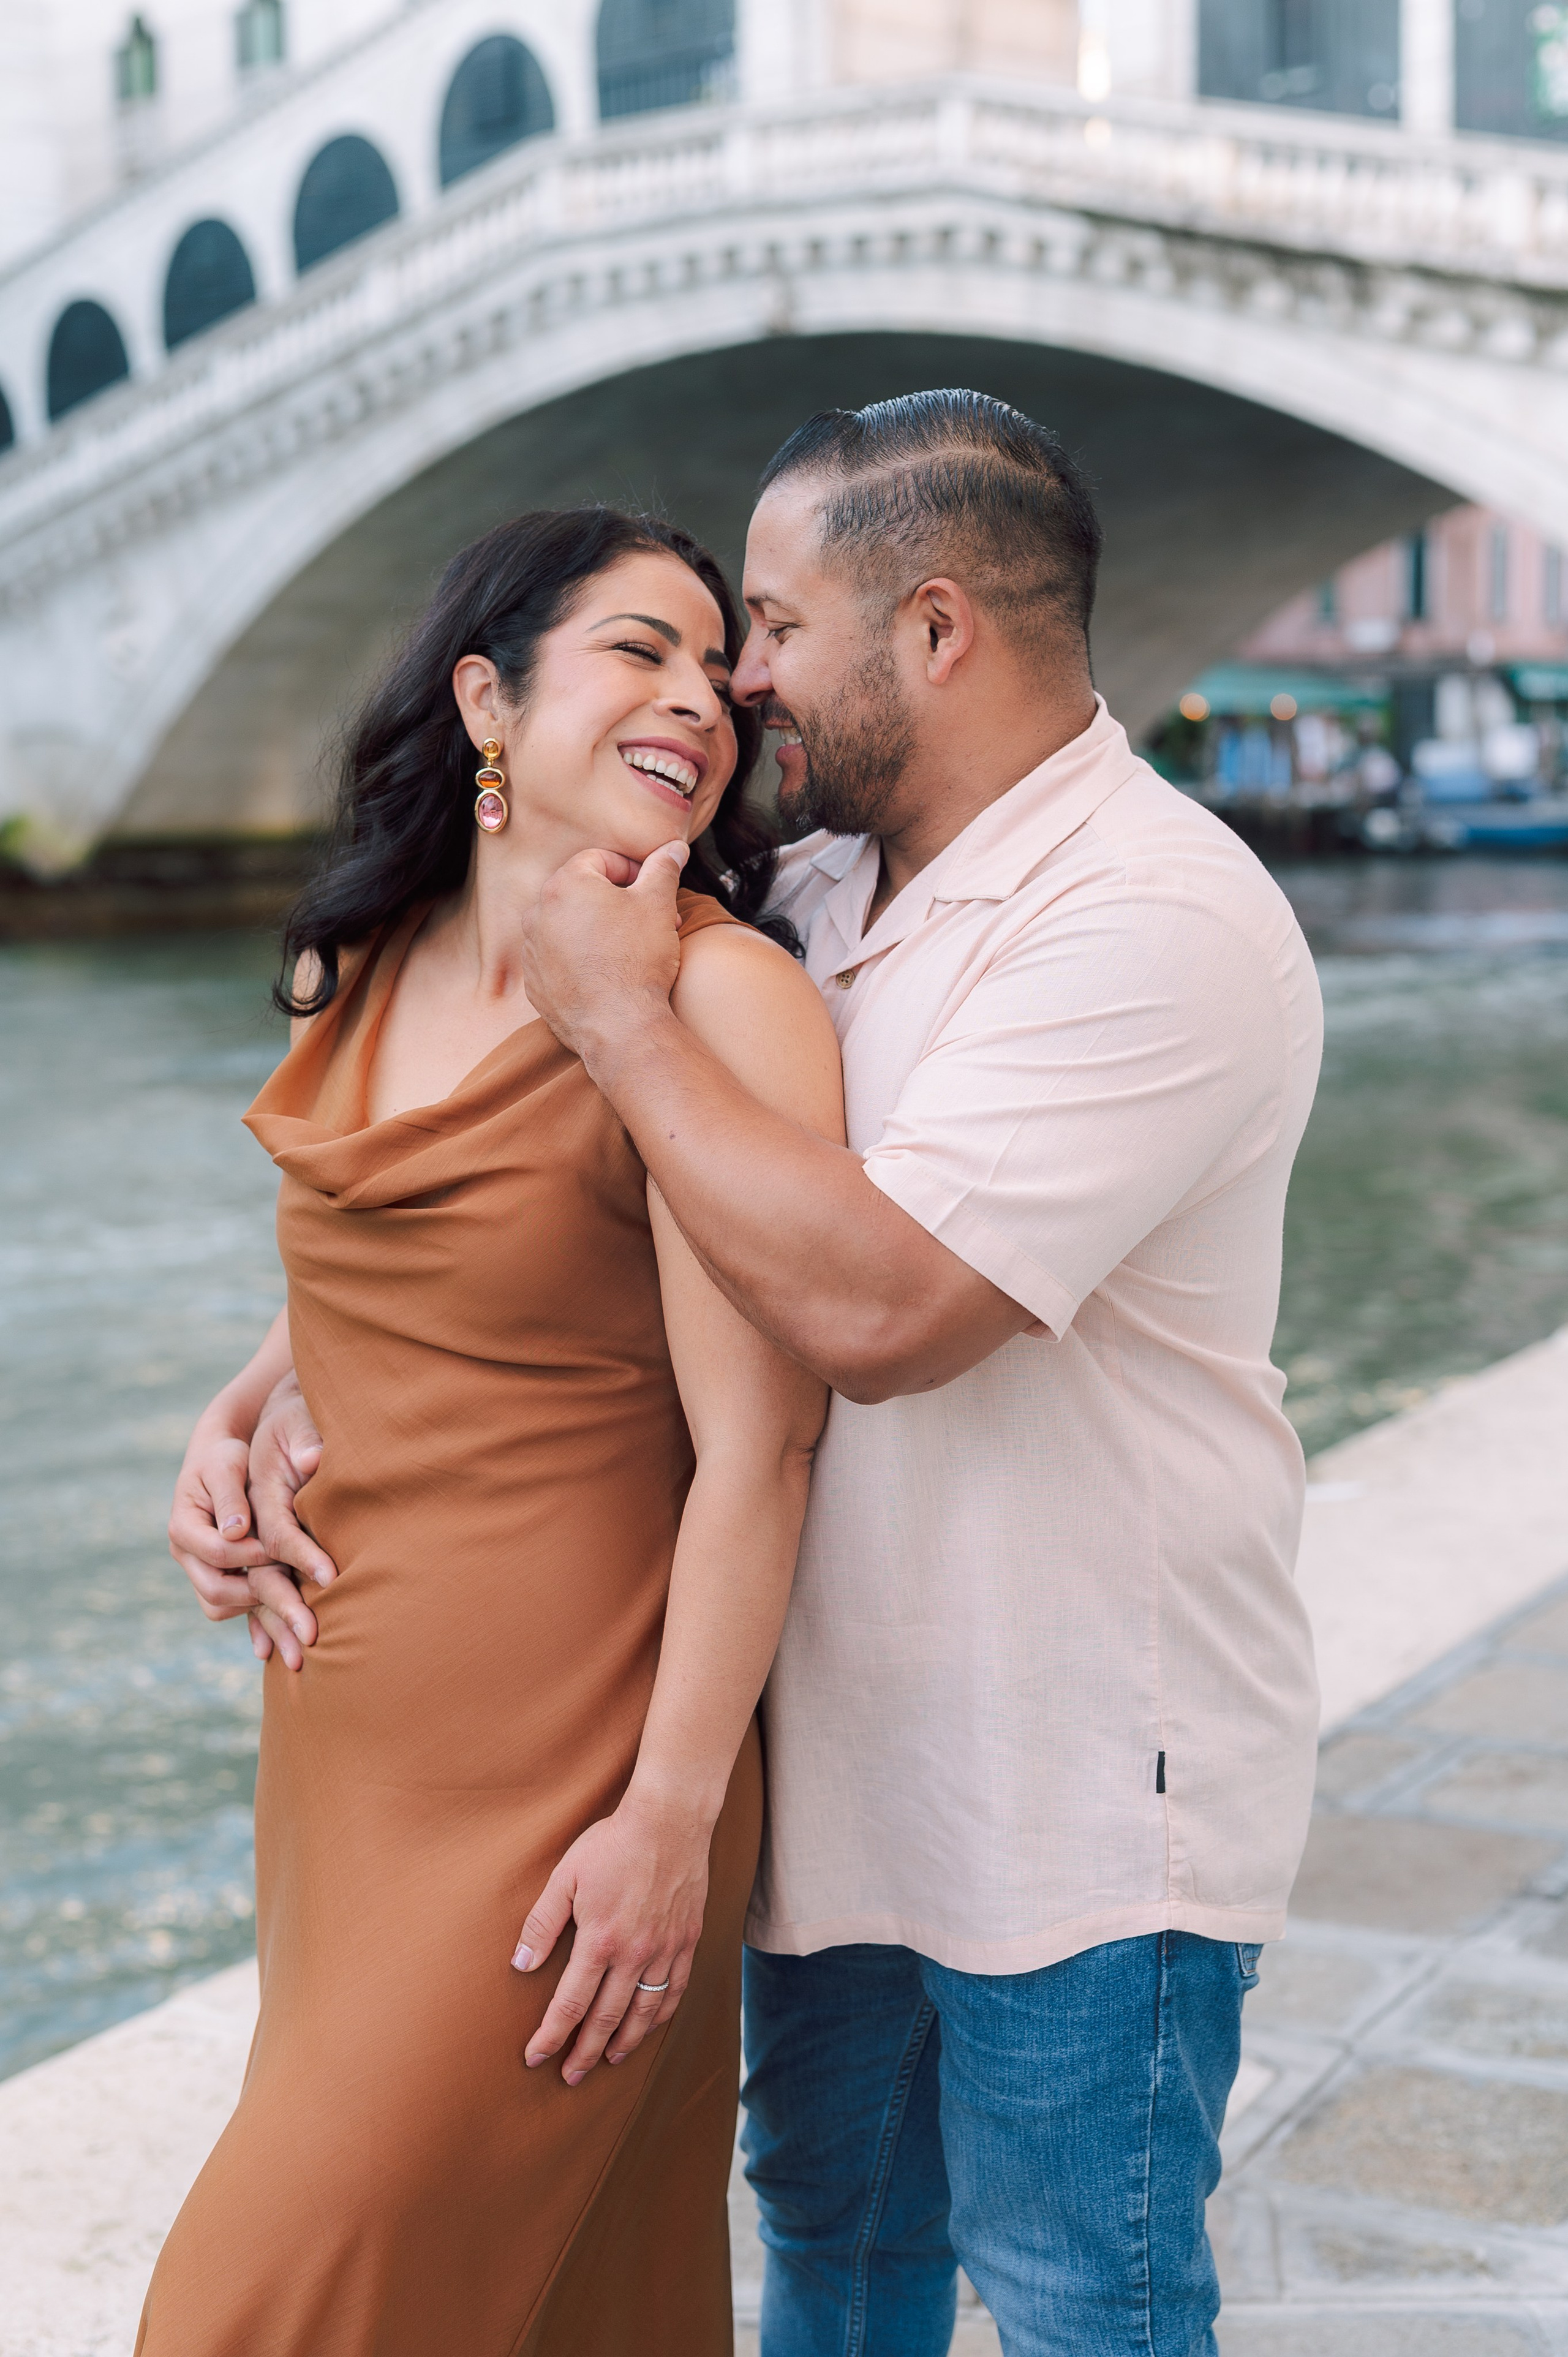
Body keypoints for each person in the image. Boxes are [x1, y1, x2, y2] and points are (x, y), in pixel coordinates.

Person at [177, 391, 1323, 2356]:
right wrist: (256, 1405)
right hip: (824, 1774)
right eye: (701, 648)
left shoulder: (1153, 918)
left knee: (1078, 2307)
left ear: (937, 629)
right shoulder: (808, 898)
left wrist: (620, 1021)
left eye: (768, 631)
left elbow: (875, 1321)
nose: (744, 682)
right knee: (831, 2287)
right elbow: (532, 1227)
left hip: (1071, 1785)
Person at [145, 505, 843, 2357]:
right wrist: (236, 1427)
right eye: (642, 647)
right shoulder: (356, 963)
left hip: (576, 1792)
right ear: (486, 699)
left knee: (267, 2304)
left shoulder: (720, 997)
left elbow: (763, 1449)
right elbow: (406, 1277)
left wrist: (669, 1827)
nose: (700, 695)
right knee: (560, 2314)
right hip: (348, 1762)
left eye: (716, 663)